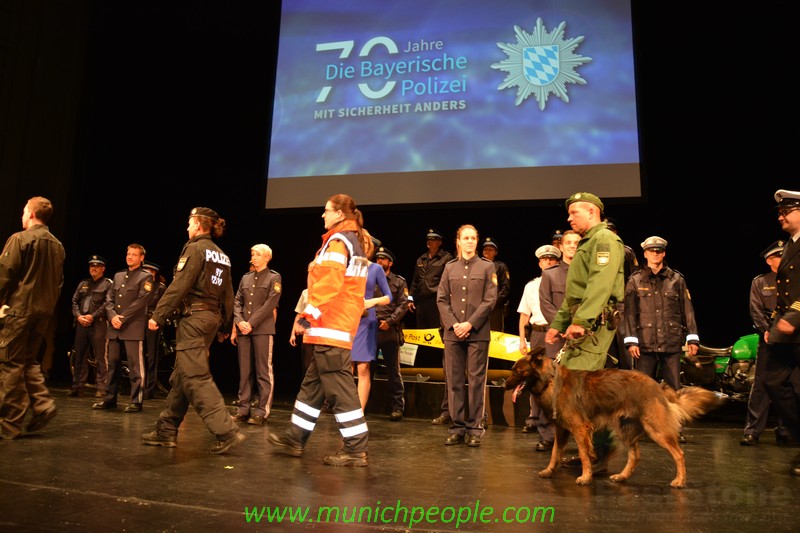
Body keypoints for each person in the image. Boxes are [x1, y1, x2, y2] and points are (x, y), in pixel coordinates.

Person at [268, 193, 370, 467]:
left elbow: (329, 285)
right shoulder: (352, 242)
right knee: (312, 387)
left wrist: (306, 316)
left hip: (332, 326)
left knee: (340, 389)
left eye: (326, 210)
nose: (323, 215)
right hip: (334, 325)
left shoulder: (338, 243)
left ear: (339, 214)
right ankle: (295, 438)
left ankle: (355, 448)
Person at [141, 207, 245, 455]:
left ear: (198, 225)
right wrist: (224, 325)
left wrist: (159, 314)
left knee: (196, 377)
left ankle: (226, 431)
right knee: (183, 375)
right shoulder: (222, 255)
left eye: (189, 223)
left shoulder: (195, 249)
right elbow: (228, 293)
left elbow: (180, 284)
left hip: (194, 319)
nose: (187, 227)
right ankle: (166, 429)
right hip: (211, 319)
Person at [544, 192, 624, 470]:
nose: (569, 218)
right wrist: (558, 324)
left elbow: (600, 285)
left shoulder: (605, 241)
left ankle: (600, 450)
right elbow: (574, 293)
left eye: (574, 212)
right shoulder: (588, 243)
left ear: (591, 211)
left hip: (595, 325)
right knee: (574, 386)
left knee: (584, 389)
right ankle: (589, 448)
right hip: (584, 322)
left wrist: (582, 321)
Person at [622, 236, 699, 442]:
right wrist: (631, 341)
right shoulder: (635, 280)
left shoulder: (676, 279)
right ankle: (639, 429)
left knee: (674, 389)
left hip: (671, 341)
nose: (655, 254)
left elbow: (687, 309)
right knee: (641, 390)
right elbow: (629, 313)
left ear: (663, 253)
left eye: (658, 251)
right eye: (651, 251)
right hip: (644, 343)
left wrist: (692, 338)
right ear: (645, 254)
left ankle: (676, 429)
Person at [0, 196, 65, 440]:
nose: (22, 215)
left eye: (24, 211)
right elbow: (58, 282)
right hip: (42, 313)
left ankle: (10, 425)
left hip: (19, 311)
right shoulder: (58, 245)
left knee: (11, 364)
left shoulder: (20, 239)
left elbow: (4, 275)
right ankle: (43, 404)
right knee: (28, 362)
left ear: (31, 214)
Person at [437, 224, 497, 447]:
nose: (470, 241)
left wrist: (470, 324)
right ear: (458, 241)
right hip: (453, 334)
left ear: (477, 241)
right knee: (454, 381)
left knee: (475, 382)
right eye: (466, 238)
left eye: (473, 238)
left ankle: (474, 428)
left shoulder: (487, 267)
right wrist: (454, 325)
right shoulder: (449, 267)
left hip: (477, 333)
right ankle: (457, 427)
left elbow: (490, 300)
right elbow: (441, 299)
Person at [763, 189, 800, 476]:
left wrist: (795, 315)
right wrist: (773, 324)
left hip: (797, 324)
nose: (780, 217)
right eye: (779, 212)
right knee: (773, 382)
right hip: (786, 329)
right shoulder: (790, 244)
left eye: (785, 212)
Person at [741, 240, 790, 445]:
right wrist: (765, 330)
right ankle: (752, 431)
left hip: (792, 337)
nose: (782, 258)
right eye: (778, 256)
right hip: (769, 337)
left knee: (790, 385)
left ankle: (786, 430)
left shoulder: (794, 279)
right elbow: (756, 310)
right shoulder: (760, 282)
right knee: (761, 384)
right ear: (769, 260)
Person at [94, 244, 152, 413]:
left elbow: (141, 301)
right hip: (115, 327)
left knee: (135, 366)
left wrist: (122, 318)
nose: (129, 257)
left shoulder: (145, 277)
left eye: (134, 254)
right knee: (112, 364)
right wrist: (112, 316)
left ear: (141, 258)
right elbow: (109, 299)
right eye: (128, 254)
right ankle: (110, 398)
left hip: (132, 326)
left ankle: (136, 401)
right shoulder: (118, 276)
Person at [231, 244, 282, 425]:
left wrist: (250, 323)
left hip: (262, 330)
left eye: (257, 254)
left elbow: (270, 304)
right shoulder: (246, 278)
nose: (253, 257)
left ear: (267, 257)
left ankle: (262, 411)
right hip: (244, 329)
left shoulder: (274, 277)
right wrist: (239, 321)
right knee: (245, 371)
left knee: (263, 371)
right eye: (252, 254)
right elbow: (237, 301)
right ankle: (243, 408)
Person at [408, 228, 454, 425]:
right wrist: (411, 297)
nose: (430, 242)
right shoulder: (421, 259)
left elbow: (447, 280)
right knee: (423, 337)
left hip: (437, 301)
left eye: (434, 239)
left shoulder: (446, 258)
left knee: (438, 336)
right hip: (422, 301)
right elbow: (415, 280)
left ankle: (439, 368)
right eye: (428, 239)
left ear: (439, 242)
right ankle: (425, 369)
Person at [516, 244, 560, 447]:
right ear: (540, 263)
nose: (548, 262)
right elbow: (524, 316)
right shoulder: (531, 286)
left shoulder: (563, 282)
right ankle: (539, 425)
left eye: (552, 259)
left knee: (555, 381)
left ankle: (555, 428)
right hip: (538, 334)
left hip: (557, 334)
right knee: (536, 381)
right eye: (545, 260)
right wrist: (522, 339)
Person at [351, 230, 391, 412]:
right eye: (361, 242)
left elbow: (388, 297)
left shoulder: (375, 269)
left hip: (366, 321)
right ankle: (346, 408)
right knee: (346, 369)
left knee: (363, 368)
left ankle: (358, 412)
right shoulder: (347, 266)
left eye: (367, 244)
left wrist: (372, 302)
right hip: (347, 318)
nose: (363, 246)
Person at [68, 255, 113, 398]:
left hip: (99, 323)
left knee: (100, 357)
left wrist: (92, 316)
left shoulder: (107, 284)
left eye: (97, 266)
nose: (93, 268)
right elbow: (74, 301)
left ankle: (101, 387)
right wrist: (78, 316)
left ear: (103, 269)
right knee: (79, 356)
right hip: (82, 324)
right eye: (91, 266)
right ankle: (77, 386)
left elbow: (108, 303)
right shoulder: (83, 283)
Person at [374, 246, 409, 421]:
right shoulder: (370, 279)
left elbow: (403, 305)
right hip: (371, 328)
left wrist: (389, 322)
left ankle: (397, 407)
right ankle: (363, 405)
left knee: (393, 371)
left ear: (390, 263)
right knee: (366, 370)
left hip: (389, 329)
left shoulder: (399, 281)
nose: (379, 261)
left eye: (383, 258)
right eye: (378, 258)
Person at [142, 261, 166, 400]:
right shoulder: (139, 285)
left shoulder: (160, 287)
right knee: (138, 355)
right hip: (138, 322)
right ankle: (138, 385)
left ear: (155, 273)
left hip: (152, 322)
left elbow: (163, 306)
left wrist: (157, 320)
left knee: (151, 356)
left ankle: (149, 388)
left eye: (150, 271)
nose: (147, 273)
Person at [481, 237, 510, 332]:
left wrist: (493, 302)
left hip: (495, 307)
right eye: (485, 249)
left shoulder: (500, 266)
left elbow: (505, 288)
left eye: (490, 249)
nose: (487, 251)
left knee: (495, 333)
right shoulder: (477, 265)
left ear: (495, 252)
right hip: (478, 307)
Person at [289, 289, 313, 375]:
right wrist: (293, 334)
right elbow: (299, 314)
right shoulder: (305, 292)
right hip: (307, 335)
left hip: (321, 335)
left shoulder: (325, 291)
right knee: (307, 365)